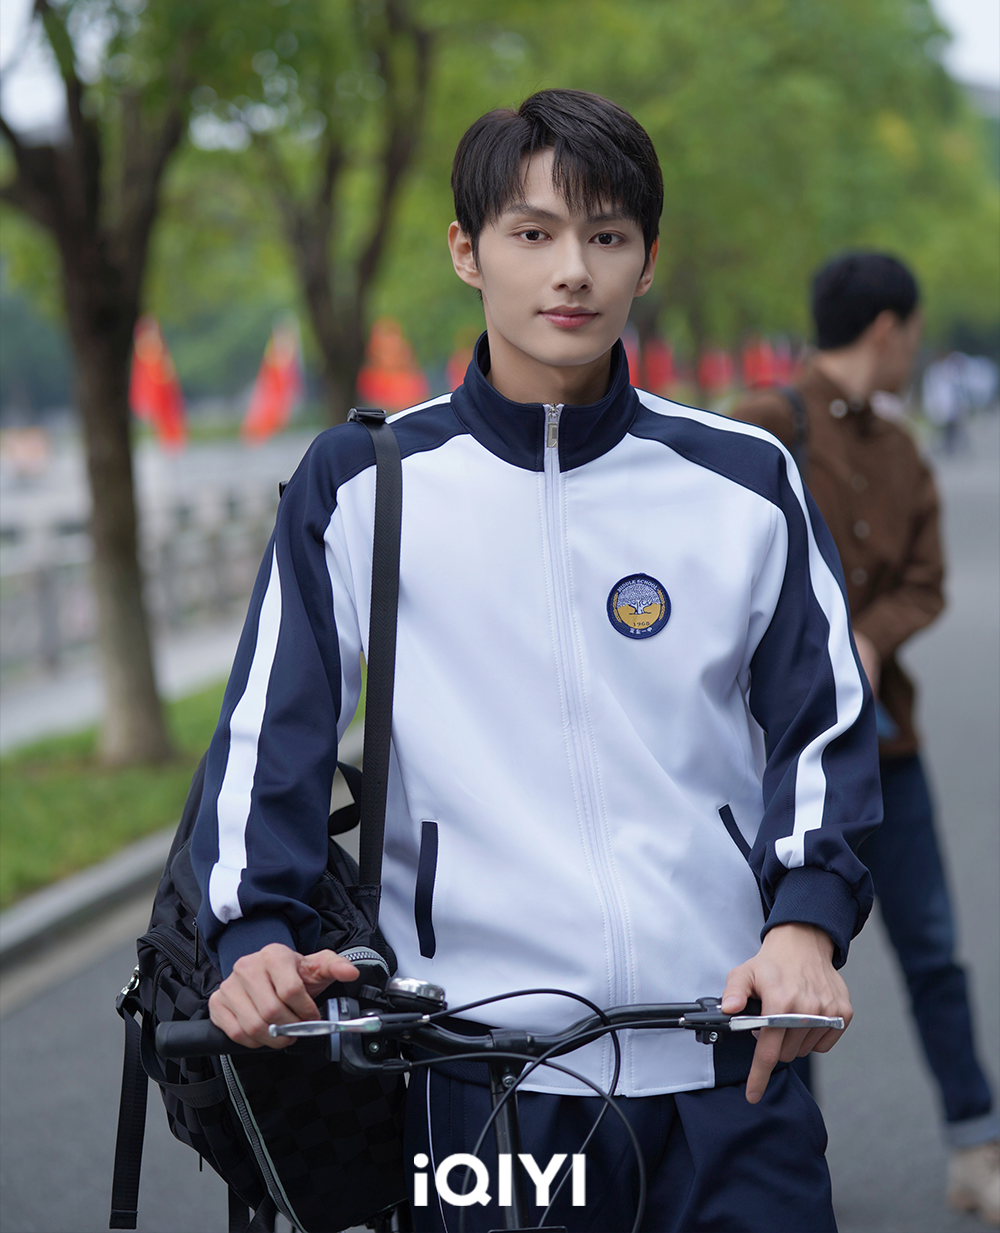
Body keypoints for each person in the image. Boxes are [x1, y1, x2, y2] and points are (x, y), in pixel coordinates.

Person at [191, 91, 882, 1231]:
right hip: (478, 1072)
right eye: (532, 233)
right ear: (467, 252)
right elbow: (272, 733)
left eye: (607, 236)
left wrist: (804, 921)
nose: (573, 271)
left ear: (647, 261)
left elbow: (824, 728)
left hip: (728, 1052)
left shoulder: (743, 480)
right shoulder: (365, 484)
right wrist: (253, 932)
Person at [733, 251, 1000, 1228]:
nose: (912, 350)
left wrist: (870, 638)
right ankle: (786, 1167)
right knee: (783, 964)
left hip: (890, 752)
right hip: (778, 766)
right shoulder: (759, 428)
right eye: (912, 334)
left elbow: (924, 580)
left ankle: (977, 1149)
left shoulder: (900, 451)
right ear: (887, 329)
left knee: (932, 953)